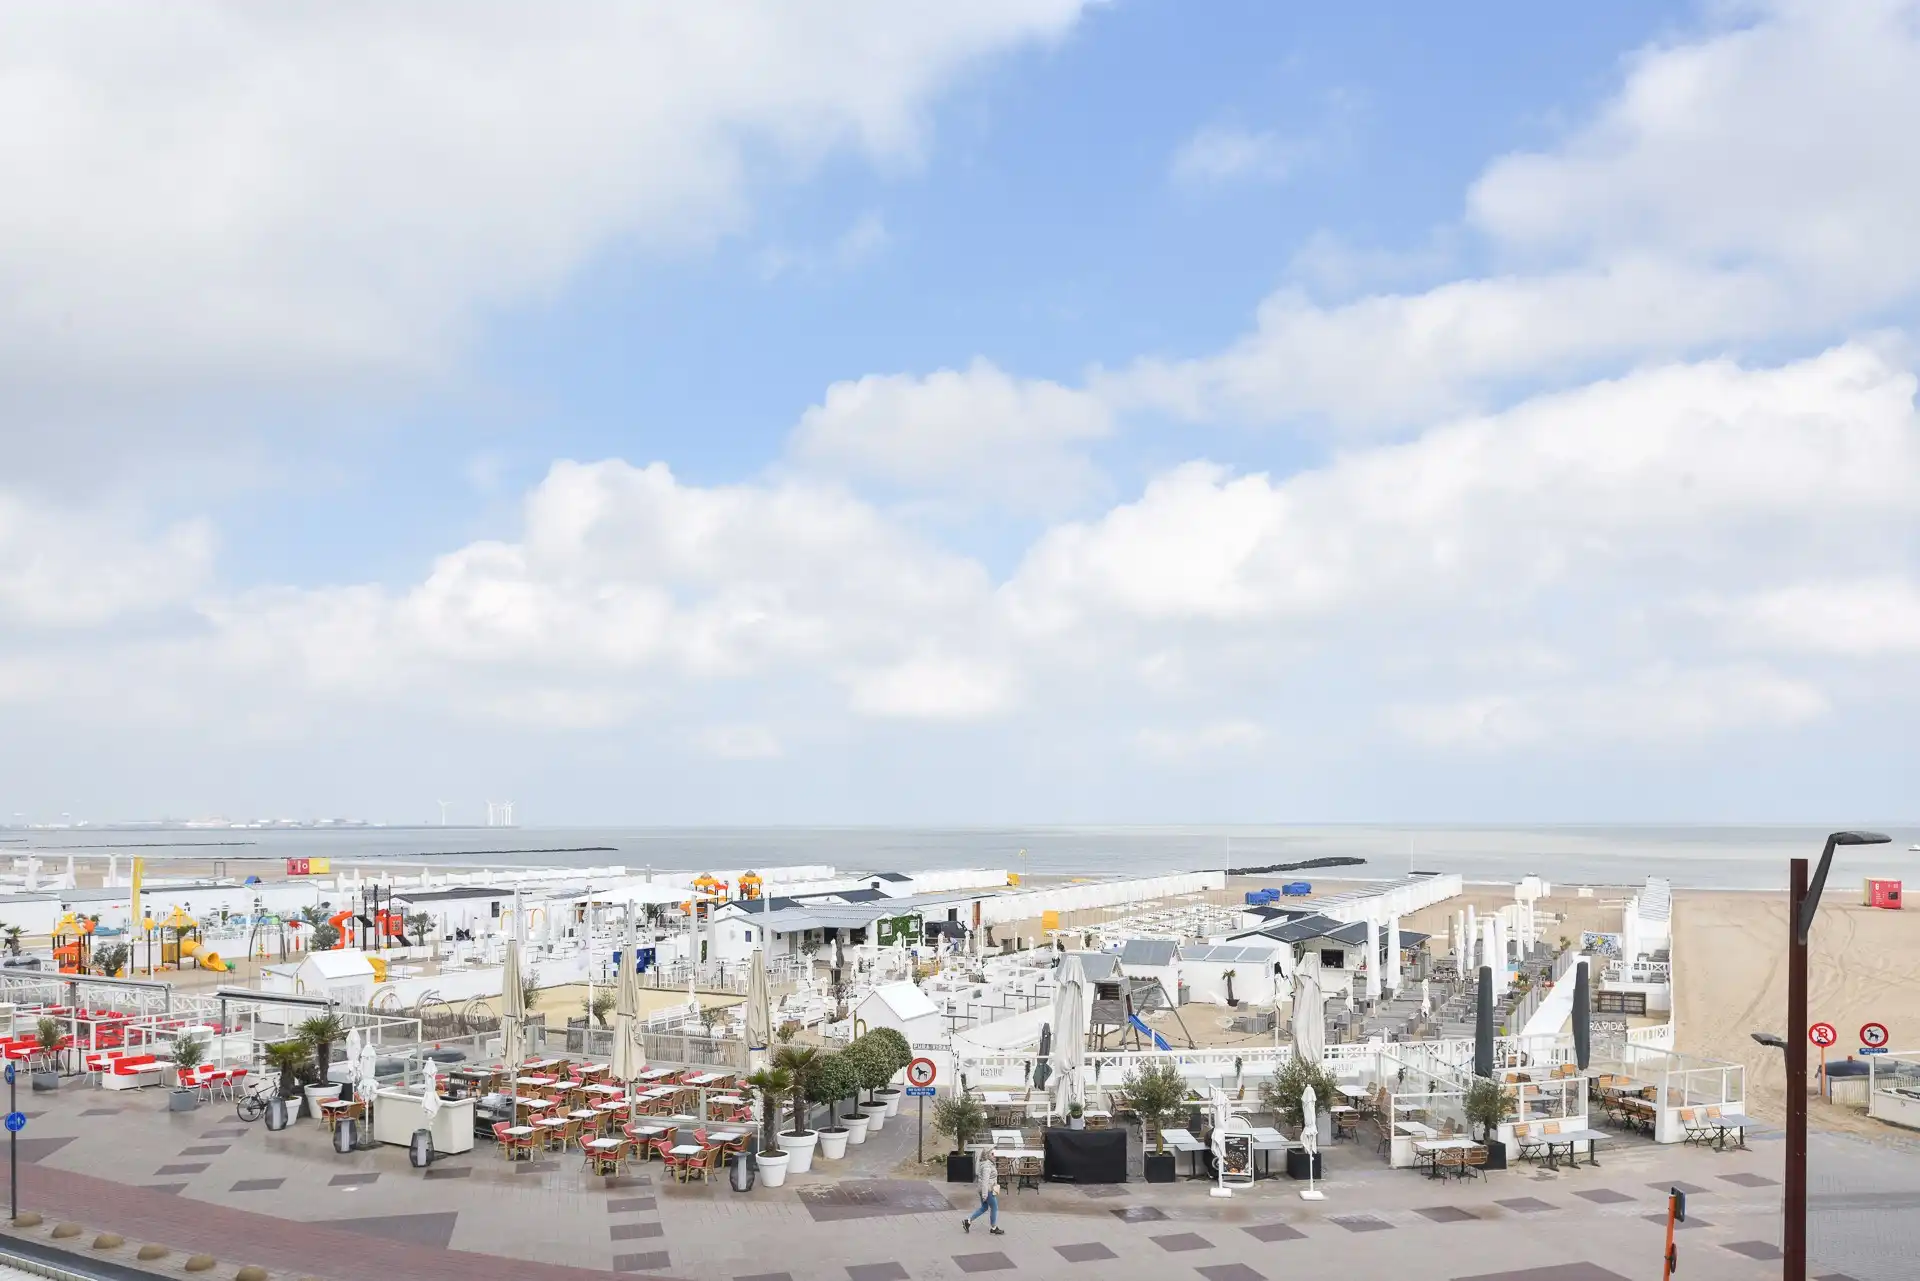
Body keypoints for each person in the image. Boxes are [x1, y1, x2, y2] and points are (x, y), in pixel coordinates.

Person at [962, 1150, 1004, 1235]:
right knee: (994, 1207)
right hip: (988, 1190)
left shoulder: (988, 1163)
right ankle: (993, 1228)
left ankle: (968, 1221)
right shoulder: (987, 1166)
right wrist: (985, 1194)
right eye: (992, 1154)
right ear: (988, 1155)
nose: (995, 1156)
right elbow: (985, 1181)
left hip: (986, 1189)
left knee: (984, 1207)